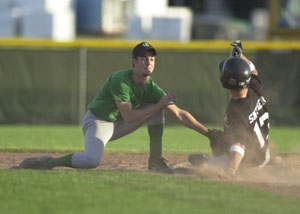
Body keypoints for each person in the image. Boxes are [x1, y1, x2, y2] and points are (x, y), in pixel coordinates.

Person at [19, 41, 208, 173]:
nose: (148, 61)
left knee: (157, 107)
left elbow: (180, 114)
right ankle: (48, 162)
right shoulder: (121, 80)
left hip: (119, 123)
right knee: (92, 160)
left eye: (151, 58)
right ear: (134, 61)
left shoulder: (152, 88)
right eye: (143, 58)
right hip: (98, 122)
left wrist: (209, 133)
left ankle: (155, 161)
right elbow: (130, 117)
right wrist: (158, 105)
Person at [189, 40, 270, 177]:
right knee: (225, 140)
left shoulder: (237, 111)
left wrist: (230, 171)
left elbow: (239, 144)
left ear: (225, 82)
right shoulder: (254, 87)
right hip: (264, 153)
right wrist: (240, 56)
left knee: (204, 169)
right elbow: (253, 69)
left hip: (249, 164)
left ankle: (211, 162)